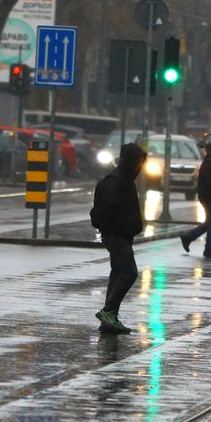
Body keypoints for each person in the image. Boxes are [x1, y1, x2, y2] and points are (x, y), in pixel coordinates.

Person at [90, 142, 147, 334]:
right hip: (116, 235)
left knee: (117, 274)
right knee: (129, 272)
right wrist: (122, 227)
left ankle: (109, 318)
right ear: (128, 161)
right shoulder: (115, 182)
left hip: (122, 235)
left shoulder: (125, 178)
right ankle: (108, 312)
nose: (140, 166)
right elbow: (107, 212)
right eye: (138, 162)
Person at [180, 144, 211, 257]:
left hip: (209, 197)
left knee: (210, 222)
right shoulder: (208, 165)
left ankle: (188, 237)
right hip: (209, 198)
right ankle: (208, 248)